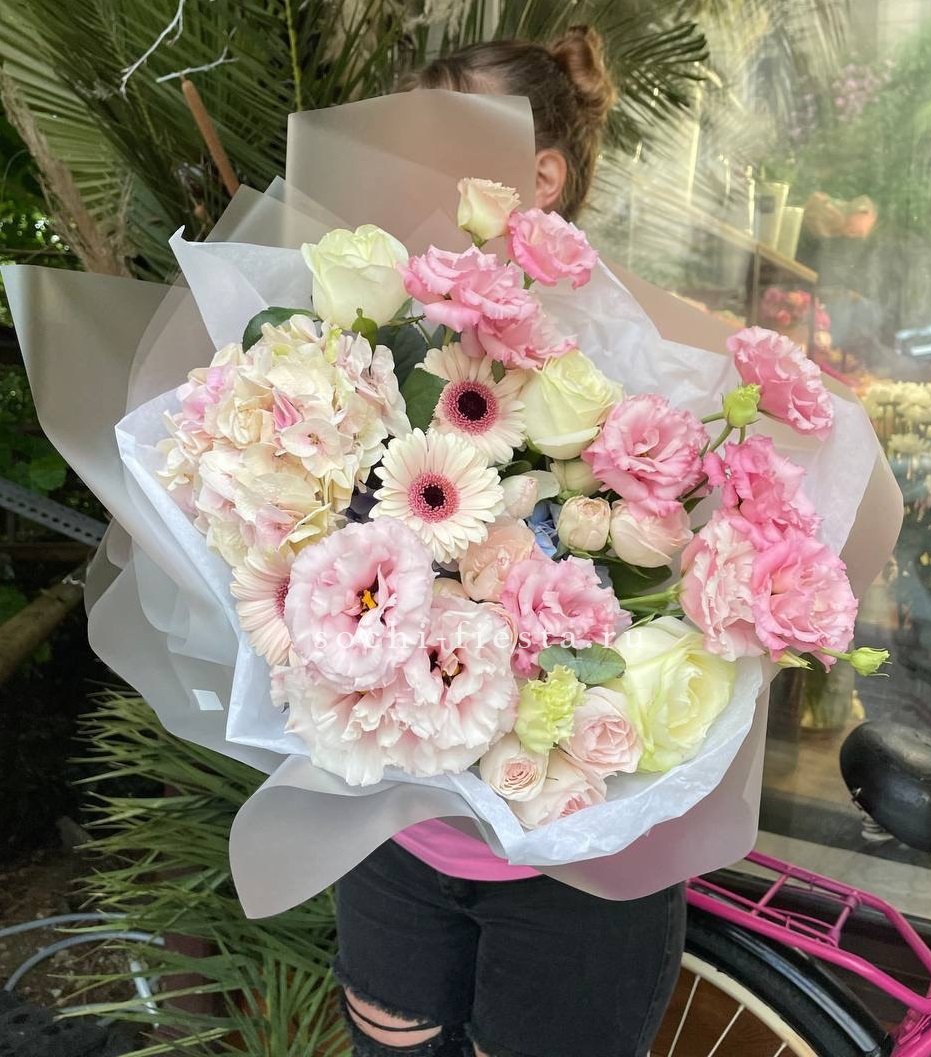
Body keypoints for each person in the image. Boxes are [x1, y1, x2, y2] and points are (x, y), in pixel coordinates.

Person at [333, 27, 686, 1057]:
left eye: (438, 144)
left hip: (575, 865)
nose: (407, 169)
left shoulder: (635, 365)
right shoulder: (373, 338)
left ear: (539, 177)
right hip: (401, 840)